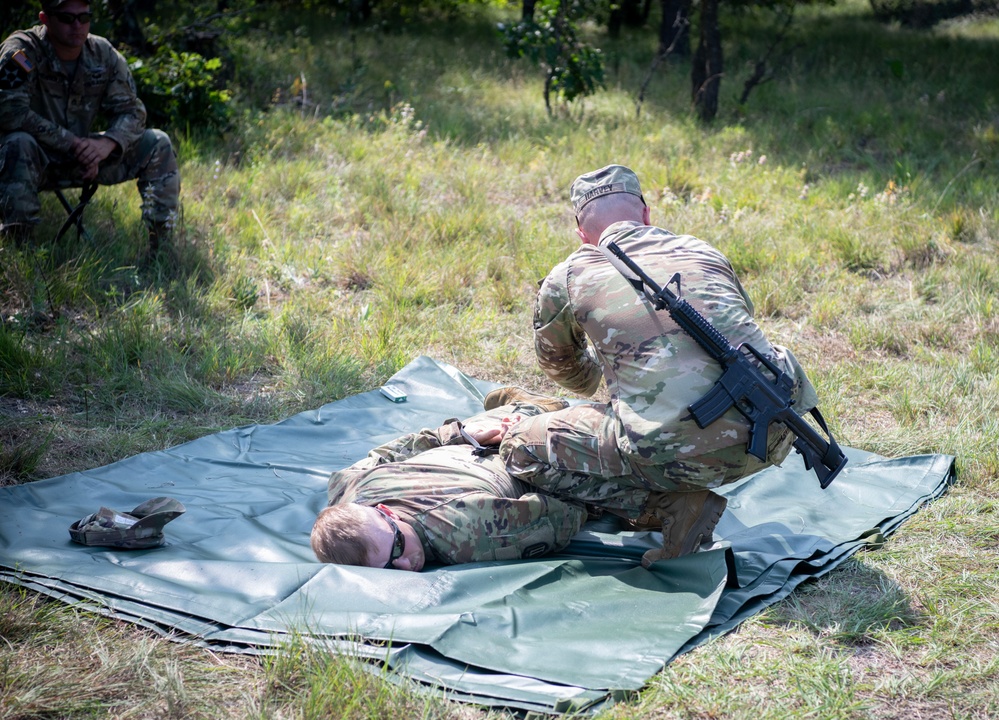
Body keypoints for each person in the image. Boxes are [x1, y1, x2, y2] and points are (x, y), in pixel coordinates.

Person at [494, 164, 821, 568]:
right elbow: (740, 328)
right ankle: (684, 492)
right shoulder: (703, 250)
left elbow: (564, 370)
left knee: (520, 447)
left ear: (582, 234)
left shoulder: (569, 277)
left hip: (673, 456)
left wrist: (608, 369)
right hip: (771, 433)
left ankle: (671, 504)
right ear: (646, 215)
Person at [311, 396, 588, 571]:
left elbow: (567, 515)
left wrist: (462, 434)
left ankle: (528, 405)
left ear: (386, 511)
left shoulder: (470, 534)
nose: (406, 564)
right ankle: (521, 405)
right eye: (389, 568)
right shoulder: (345, 491)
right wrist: (453, 434)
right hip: (478, 439)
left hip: (508, 441)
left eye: (398, 547)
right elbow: (388, 452)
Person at [0, 0, 180, 251]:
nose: (77, 26)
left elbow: (133, 111)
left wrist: (107, 144)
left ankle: (162, 250)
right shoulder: (21, 51)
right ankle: (20, 252)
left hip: (86, 160)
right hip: (34, 159)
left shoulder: (102, 52)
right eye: (67, 18)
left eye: (84, 18)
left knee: (157, 143)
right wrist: (73, 143)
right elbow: (10, 112)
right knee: (17, 143)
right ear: (45, 18)